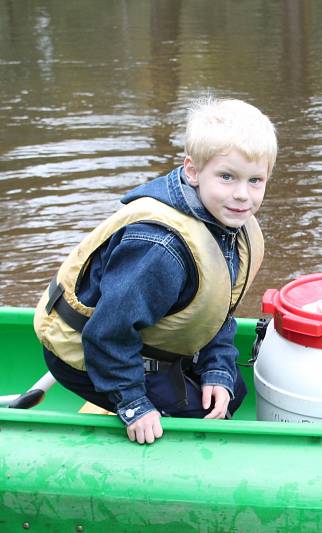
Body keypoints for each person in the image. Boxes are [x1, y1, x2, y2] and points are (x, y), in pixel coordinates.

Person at [33, 97, 277, 444]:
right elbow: (107, 334)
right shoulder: (159, 250)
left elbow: (218, 308)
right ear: (192, 171)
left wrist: (218, 369)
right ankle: (113, 403)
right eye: (227, 177)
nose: (242, 195)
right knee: (197, 416)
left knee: (232, 392)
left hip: (137, 336)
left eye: (255, 180)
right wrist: (133, 403)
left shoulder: (227, 226)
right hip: (90, 351)